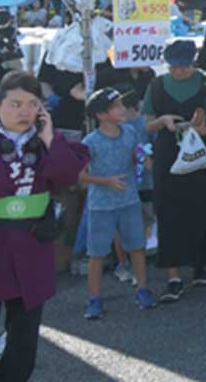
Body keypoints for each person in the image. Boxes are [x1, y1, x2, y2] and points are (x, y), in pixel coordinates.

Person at [0, 71, 88, 380]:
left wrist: (49, 138)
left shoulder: (46, 141)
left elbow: (67, 177)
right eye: (15, 104)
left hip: (33, 246)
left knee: (24, 337)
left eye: (33, 104)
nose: (24, 112)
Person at [145, 40, 206, 302]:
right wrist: (164, 121)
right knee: (168, 210)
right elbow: (148, 123)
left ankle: (202, 263)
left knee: (202, 207)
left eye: (183, 66)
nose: (179, 71)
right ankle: (173, 275)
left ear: (193, 62)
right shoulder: (157, 85)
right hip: (168, 156)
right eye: (174, 67)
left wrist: (201, 130)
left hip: (203, 156)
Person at [79, 88, 157, 317]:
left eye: (122, 104)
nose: (122, 109)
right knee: (97, 253)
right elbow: (80, 176)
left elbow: (137, 156)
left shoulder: (130, 132)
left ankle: (143, 289)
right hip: (100, 205)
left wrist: (143, 159)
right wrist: (106, 181)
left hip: (129, 200)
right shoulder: (90, 141)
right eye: (116, 106)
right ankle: (94, 300)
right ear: (101, 115)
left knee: (137, 247)